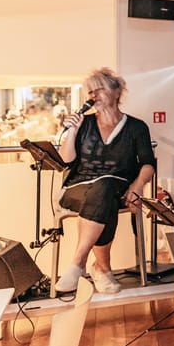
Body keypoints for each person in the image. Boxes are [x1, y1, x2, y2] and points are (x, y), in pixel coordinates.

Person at [54, 68, 155, 295]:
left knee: (105, 188)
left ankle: (80, 264)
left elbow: (148, 163)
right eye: (90, 92)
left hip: (116, 187)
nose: (93, 96)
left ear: (117, 92)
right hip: (78, 188)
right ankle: (98, 268)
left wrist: (137, 185)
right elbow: (66, 160)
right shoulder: (84, 124)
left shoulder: (137, 127)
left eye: (98, 90)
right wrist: (72, 132)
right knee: (104, 195)